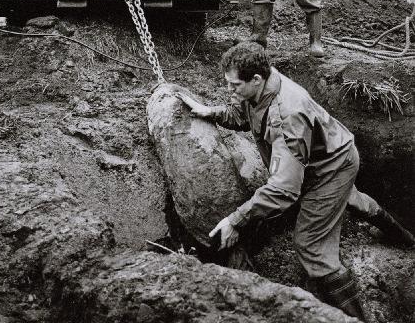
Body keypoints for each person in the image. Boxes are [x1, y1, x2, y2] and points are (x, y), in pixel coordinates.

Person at [177, 43, 414, 321]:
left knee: (311, 245)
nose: (230, 91)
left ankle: (354, 317)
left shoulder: (287, 114)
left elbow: (285, 189)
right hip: (320, 157)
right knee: (349, 198)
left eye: (234, 85)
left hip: (332, 166)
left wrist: (236, 220)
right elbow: (244, 115)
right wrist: (213, 112)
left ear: (256, 79)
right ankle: (407, 238)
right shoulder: (261, 85)